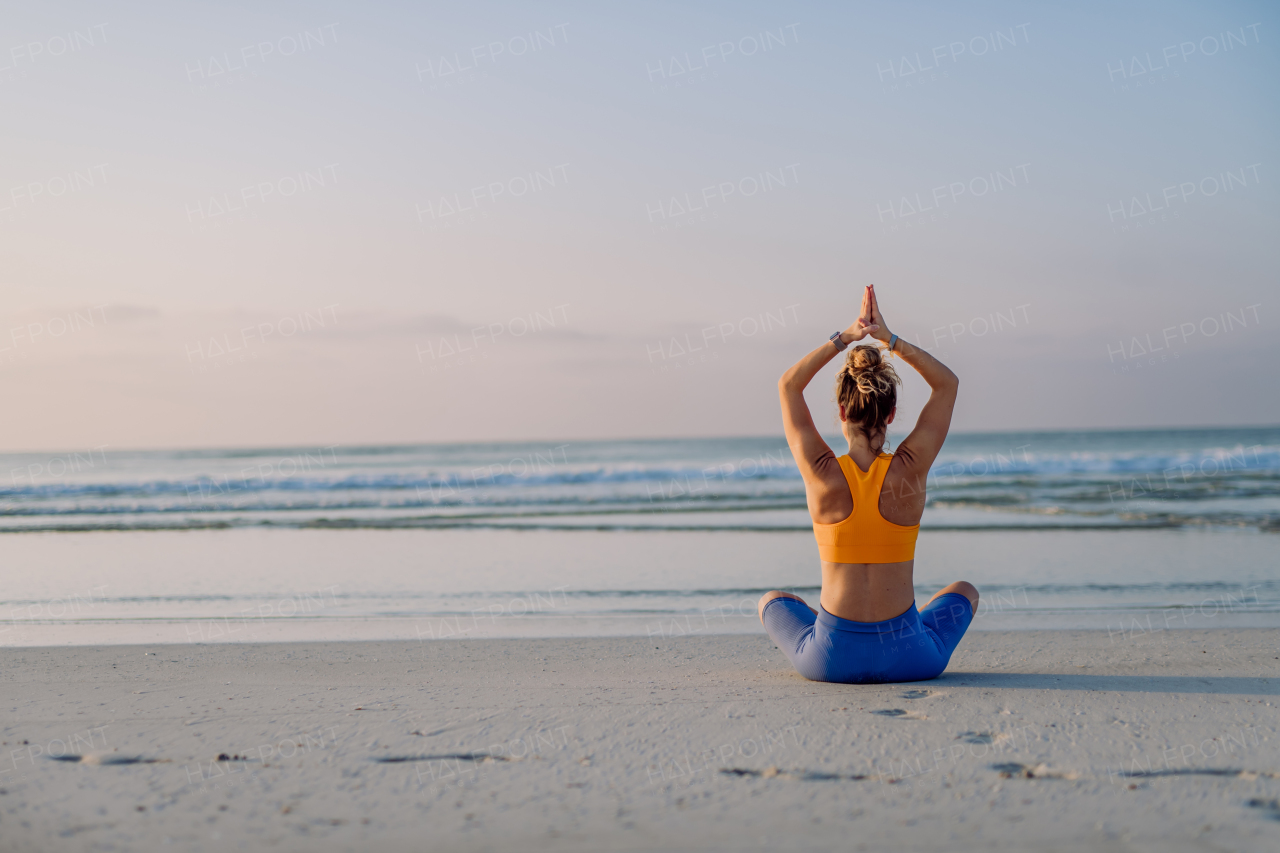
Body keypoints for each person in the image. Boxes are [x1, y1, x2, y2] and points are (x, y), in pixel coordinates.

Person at [758, 284, 978, 683]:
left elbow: (788, 385)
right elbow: (947, 383)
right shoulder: (910, 469)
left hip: (830, 662)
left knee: (773, 601)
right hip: (911, 660)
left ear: (842, 410)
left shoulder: (821, 470)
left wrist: (846, 338)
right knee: (965, 590)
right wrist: (887, 339)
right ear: (891, 414)